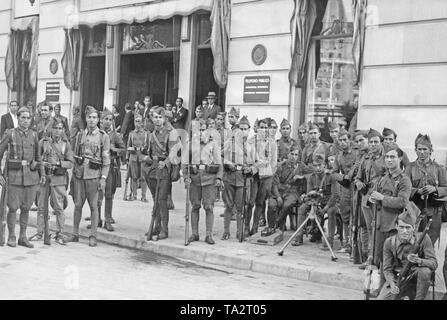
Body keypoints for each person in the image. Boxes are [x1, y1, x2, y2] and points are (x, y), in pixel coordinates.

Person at [67, 106, 110, 247]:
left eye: (94, 117)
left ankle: (93, 235)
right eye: (89, 117)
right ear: (86, 119)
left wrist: (103, 178)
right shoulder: (80, 135)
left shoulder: (103, 136)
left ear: (98, 120)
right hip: (79, 175)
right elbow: (74, 154)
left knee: (93, 206)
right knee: (78, 205)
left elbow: (106, 161)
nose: (91, 120)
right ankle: (74, 234)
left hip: (94, 176)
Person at [0, 107, 43, 248]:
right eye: (23, 117)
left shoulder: (34, 135)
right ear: (18, 118)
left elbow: (38, 157)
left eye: (28, 118)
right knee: (12, 208)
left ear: (31, 120)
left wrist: (41, 173)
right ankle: (12, 236)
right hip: (14, 178)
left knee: (26, 208)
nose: (25, 121)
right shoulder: (10, 133)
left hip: (31, 178)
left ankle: (22, 237)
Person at [30, 118, 74, 245]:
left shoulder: (66, 144)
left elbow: (71, 163)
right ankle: (40, 232)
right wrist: (42, 165)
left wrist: (59, 163)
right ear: (50, 129)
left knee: (59, 208)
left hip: (58, 180)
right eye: (55, 128)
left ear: (63, 130)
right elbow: (36, 160)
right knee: (41, 207)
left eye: (60, 128)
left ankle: (59, 233)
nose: (57, 131)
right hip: (44, 178)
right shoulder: (43, 142)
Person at [368, 144, 412, 269]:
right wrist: (373, 199)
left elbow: (402, 202)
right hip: (379, 223)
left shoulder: (404, 180)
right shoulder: (383, 178)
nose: (389, 160)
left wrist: (382, 198)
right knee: (379, 258)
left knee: (391, 261)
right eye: (386, 157)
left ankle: (390, 287)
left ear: (400, 159)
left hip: (393, 225)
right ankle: (379, 286)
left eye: (392, 157)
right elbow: (376, 196)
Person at [378, 209, 437, 300]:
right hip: (398, 277)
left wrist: (419, 260)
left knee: (425, 271)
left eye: (408, 227)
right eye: (401, 227)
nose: (404, 231)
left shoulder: (424, 239)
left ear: (414, 228)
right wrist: (392, 284)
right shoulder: (389, 242)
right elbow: (387, 269)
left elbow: (434, 264)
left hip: (416, 278)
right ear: (396, 226)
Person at [183, 119, 223, 245]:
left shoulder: (213, 144)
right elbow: (184, 163)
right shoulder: (189, 144)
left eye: (203, 129)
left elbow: (219, 163)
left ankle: (209, 235)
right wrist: (185, 177)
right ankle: (194, 233)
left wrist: (218, 178)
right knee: (195, 206)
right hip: (194, 179)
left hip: (209, 179)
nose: (200, 132)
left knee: (209, 207)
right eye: (197, 130)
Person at [143, 106, 180, 240]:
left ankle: (164, 230)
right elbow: (148, 152)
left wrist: (165, 163)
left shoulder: (171, 133)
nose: (157, 120)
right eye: (155, 117)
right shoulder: (151, 134)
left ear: (164, 119)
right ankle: (156, 227)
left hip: (164, 170)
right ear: (152, 119)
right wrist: (146, 158)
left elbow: (174, 152)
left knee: (162, 200)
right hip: (152, 170)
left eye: (160, 117)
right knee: (155, 200)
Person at [404, 134, 447, 246]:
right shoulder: (410, 168)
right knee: (413, 244)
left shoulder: (439, 168)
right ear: (415, 150)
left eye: (425, 149)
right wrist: (416, 191)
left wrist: (435, 189)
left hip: (433, 213)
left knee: (429, 245)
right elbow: (403, 189)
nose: (422, 152)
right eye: (419, 149)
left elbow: (445, 188)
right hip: (415, 211)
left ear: (431, 150)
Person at [355, 128, 386, 269]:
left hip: (379, 200)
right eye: (371, 142)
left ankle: (378, 260)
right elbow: (357, 177)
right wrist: (359, 183)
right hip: (365, 198)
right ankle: (370, 258)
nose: (373, 144)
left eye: (376, 142)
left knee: (378, 230)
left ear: (381, 143)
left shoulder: (387, 158)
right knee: (368, 228)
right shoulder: (365, 158)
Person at [292, 154, 339, 247]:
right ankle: (299, 236)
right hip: (316, 201)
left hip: (329, 202)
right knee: (302, 208)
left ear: (324, 166)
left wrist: (324, 209)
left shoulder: (331, 176)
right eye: (315, 165)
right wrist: (311, 203)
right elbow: (309, 193)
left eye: (319, 165)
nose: (317, 168)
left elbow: (335, 195)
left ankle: (329, 240)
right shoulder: (312, 177)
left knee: (330, 212)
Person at [221, 115, 256, 240]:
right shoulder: (230, 143)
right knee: (229, 205)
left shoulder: (251, 146)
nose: (242, 131)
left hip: (243, 179)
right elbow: (220, 156)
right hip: (229, 177)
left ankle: (239, 232)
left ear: (249, 130)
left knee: (241, 206)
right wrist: (227, 163)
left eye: (245, 129)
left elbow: (255, 164)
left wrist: (251, 169)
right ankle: (226, 231)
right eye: (240, 129)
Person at [263, 147, 309, 236]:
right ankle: (271, 227)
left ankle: (277, 224)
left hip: (293, 192)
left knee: (287, 205)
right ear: (288, 154)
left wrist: (302, 177)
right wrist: (278, 196)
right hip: (278, 191)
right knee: (272, 205)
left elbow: (313, 172)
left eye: (296, 155)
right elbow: (275, 183)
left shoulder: (301, 166)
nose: (294, 157)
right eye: (292, 154)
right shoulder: (281, 166)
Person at [94, 109, 126, 232]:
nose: (107, 122)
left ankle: (107, 220)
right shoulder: (97, 134)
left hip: (110, 167)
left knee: (108, 195)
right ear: (100, 120)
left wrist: (114, 149)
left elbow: (123, 150)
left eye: (110, 119)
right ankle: (97, 220)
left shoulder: (115, 135)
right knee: (96, 195)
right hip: (97, 167)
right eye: (105, 119)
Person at [331, 129, 357, 253]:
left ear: (350, 140)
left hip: (357, 188)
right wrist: (343, 178)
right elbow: (333, 173)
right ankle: (347, 244)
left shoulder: (357, 154)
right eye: (340, 140)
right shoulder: (339, 156)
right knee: (345, 215)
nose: (342, 142)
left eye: (345, 140)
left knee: (357, 216)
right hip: (346, 187)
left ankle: (356, 245)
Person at [251, 118, 277, 234]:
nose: (264, 130)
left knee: (260, 202)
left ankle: (255, 227)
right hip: (254, 175)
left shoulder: (272, 142)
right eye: (262, 127)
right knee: (250, 202)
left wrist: (268, 172)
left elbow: (273, 162)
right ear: (257, 128)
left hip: (266, 176)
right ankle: (247, 226)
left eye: (266, 127)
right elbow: (250, 159)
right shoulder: (251, 141)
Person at [127, 114, 149, 202]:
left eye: (139, 121)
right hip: (133, 157)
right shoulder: (131, 134)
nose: (137, 123)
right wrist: (128, 155)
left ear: (142, 123)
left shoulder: (146, 134)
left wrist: (145, 149)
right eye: (136, 121)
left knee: (143, 177)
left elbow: (149, 147)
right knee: (134, 177)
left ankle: (143, 196)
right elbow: (128, 146)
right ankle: (134, 195)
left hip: (142, 157)